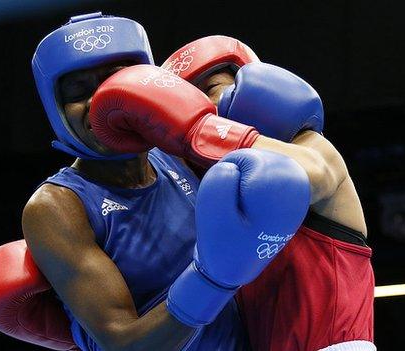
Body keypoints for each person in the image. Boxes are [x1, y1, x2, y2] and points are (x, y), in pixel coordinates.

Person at [0, 12, 343, 351]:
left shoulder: (183, 155)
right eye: (78, 92)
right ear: (54, 109)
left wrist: (210, 130)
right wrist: (213, 278)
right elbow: (127, 345)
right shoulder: (59, 206)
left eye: (117, 80)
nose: (102, 101)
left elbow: (316, 178)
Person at [159, 36, 376, 351]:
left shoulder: (312, 148)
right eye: (186, 103)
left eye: (210, 90)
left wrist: (203, 130)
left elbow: (302, 178)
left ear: (254, 86)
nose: (200, 108)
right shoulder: (206, 200)